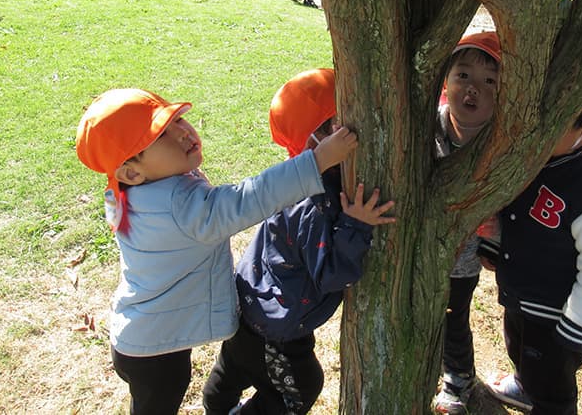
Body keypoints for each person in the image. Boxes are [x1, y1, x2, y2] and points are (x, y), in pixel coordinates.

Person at [74, 87, 357, 415]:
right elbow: (252, 198)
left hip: (138, 336)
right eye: (162, 134)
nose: (183, 131)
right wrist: (318, 161)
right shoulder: (185, 209)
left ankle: (218, 403)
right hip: (154, 352)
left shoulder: (123, 193)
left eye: (177, 119)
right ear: (133, 172)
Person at [201, 69, 396, 415]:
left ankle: (217, 403)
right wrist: (356, 225)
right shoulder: (315, 203)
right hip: (276, 326)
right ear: (316, 142)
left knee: (235, 363)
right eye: (338, 123)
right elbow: (333, 275)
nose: (350, 128)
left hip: (251, 304)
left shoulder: (298, 179)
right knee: (304, 385)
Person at [481, 62, 582, 414]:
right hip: (522, 295)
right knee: (518, 346)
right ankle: (523, 385)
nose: (538, 130)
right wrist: (494, 246)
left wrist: (573, 335)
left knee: (552, 382)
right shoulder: (539, 158)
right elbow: (514, 213)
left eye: (554, 124)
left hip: (557, 318)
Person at [432, 32, 502, 414]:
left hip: (463, 260)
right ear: (446, 81)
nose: (473, 89)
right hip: (422, 246)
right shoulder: (429, 126)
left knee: (452, 318)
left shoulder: (500, 144)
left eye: (489, 82)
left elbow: (499, 204)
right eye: (463, 76)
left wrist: (492, 243)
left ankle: (458, 378)